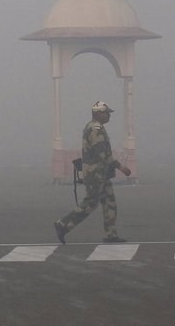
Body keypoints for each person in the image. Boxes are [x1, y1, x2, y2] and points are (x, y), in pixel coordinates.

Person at [54, 101, 133, 244]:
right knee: (90, 203)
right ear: (98, 114)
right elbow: (102, 153)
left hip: (100, 173)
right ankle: (63, 224)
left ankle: (111, 235)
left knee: (110, 202)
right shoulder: (95, 129)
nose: (108, 115)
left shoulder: (97, 127)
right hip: (94, 173)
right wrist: (121, 167)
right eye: (106, 113)